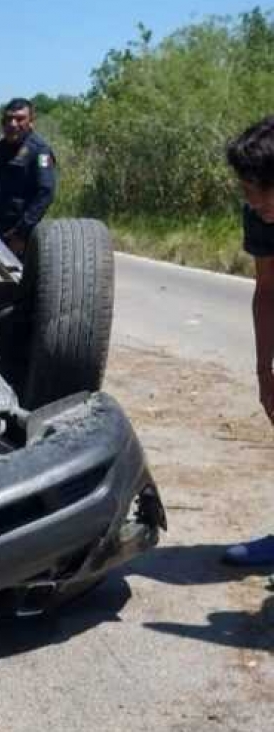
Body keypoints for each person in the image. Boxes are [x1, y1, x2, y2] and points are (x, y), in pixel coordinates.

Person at [223, 115, 274, 566]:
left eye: (259, 189)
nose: (251, 200)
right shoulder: (258, 213)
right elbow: (267, 291)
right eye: (245, 189)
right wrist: (264, 373)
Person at [0, 98, 57, 255]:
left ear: (31, 122)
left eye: (20, 119)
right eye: (8, 119)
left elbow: (45, 193)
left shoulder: (39, 151)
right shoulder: (1, 151)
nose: (13, 124)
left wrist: (21, 233)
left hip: (21, 237)